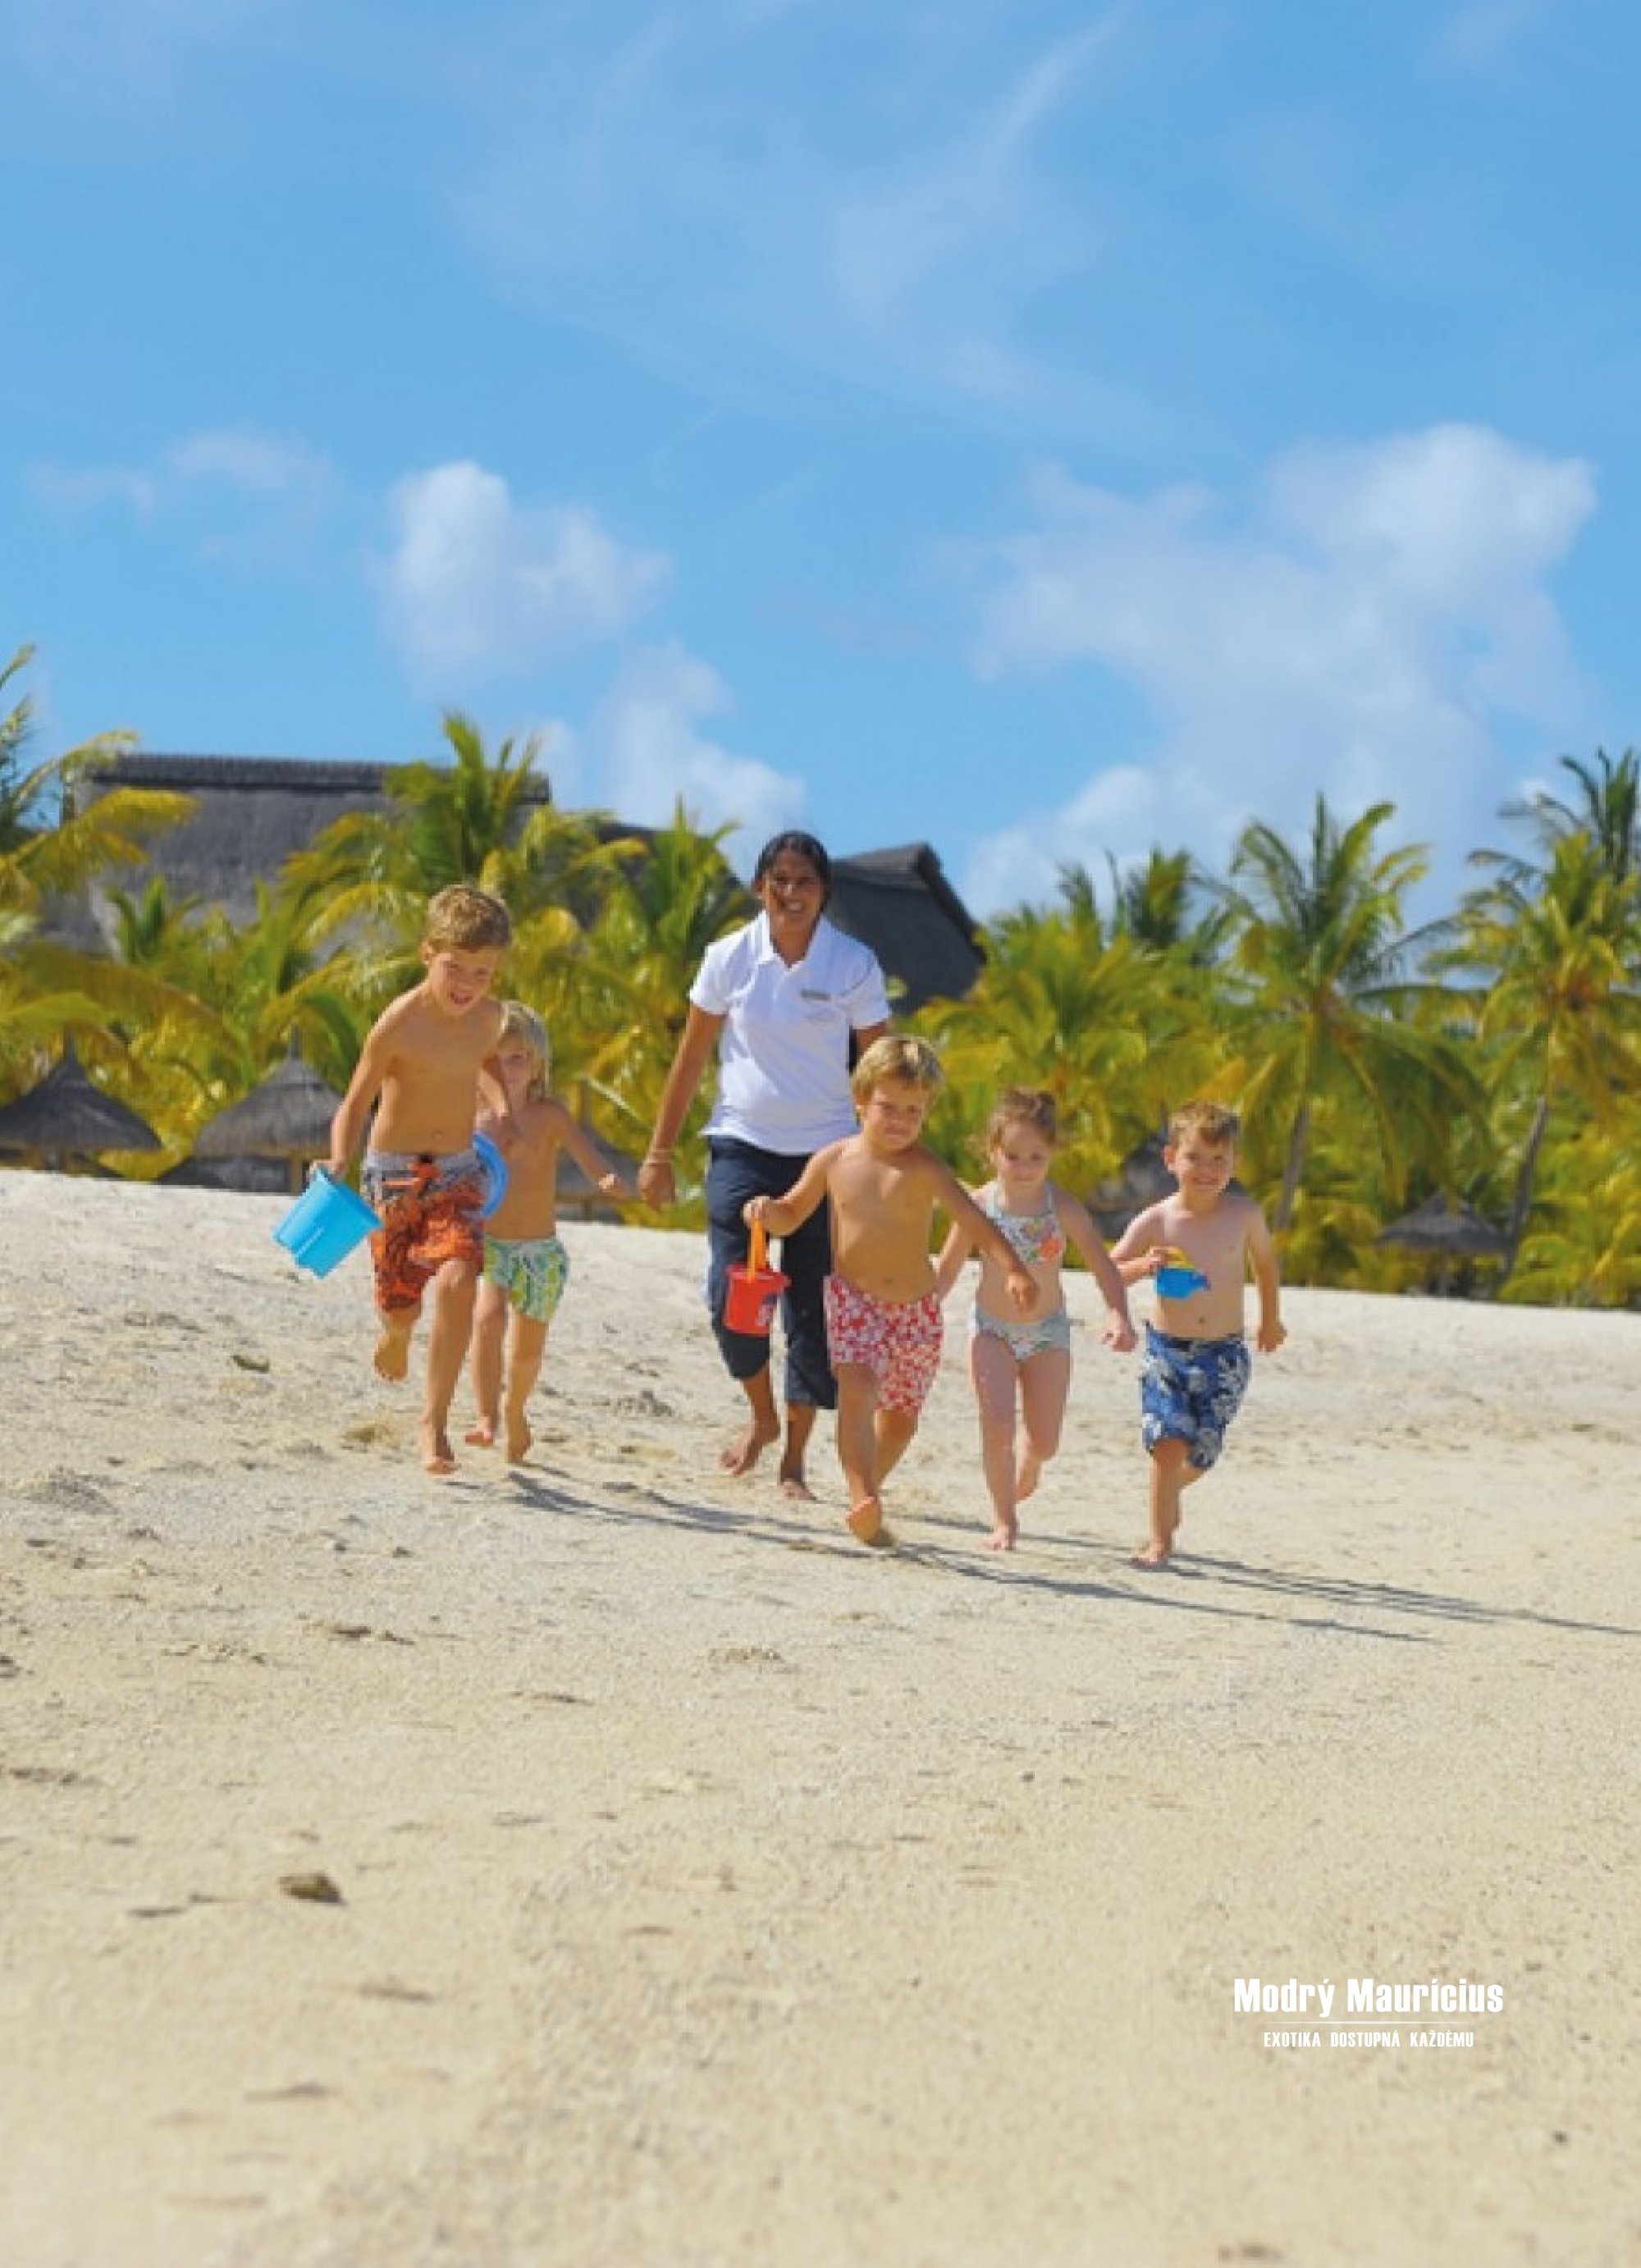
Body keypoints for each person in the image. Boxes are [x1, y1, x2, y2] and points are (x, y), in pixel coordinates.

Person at [638, 830, 890, 1501]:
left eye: (805, 881)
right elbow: (691, 1058)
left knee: (812, 1312)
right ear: (759, 887)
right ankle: (762, 1416)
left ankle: (794, 1463)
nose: (791, 892)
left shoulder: (853, 964)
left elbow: (881, 1072)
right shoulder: (728, 958)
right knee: (733, 1301)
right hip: (741, 1144)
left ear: (824, 891)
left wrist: (886, 1166)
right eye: (779, 880)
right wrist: (658, 1154)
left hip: (827, 1155)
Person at [745, 1036, 1037, 1548]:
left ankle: (867, 1493)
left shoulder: (926, 1169)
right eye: (889, 1106)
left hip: (916, 1312)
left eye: (913, 1111)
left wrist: (1013, 1267)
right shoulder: (834, 1160)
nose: (901, 1120)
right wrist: (767, 1212)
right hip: (854, 1301)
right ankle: (862, 1493)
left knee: (900, 1422)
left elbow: (974, 1220)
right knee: (857, 1389)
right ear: (861, 1100)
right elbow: (791, 1215)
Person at [324, 882, 514, 1478]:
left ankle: (433, 1423)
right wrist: (339, 1158)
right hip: (394, 1176)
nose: (467, 984)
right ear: (428, 954)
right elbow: (356, 1102)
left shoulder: (490, 1019)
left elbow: (484, 1063)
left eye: (482, 973)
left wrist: (500, 1104)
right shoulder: (399, 1024)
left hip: (458, 1169)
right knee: (400, 1302)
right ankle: (397, 1330)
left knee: (459, 1276)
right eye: (456, 967)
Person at [934, 1088, 1136, 1552]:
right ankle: (1005, 1521)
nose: (1023, 1168)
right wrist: (919, 1315)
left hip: (1048, 1334)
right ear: (992, 1152)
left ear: (1052, 1154)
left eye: (1036, 1158)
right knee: (997, 1426)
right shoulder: (977, 1207)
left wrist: (1118, 1313)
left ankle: (1033, 1460)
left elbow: (1102, 1265)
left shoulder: (1062, 1207)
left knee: (1044, 1441)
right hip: (992, 1330)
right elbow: (946, 1271)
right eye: (1013, 1156)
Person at [1108, 1100, 1285, 1567]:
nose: (1206, 1170)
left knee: (1199, 1455)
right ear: (1171, 1159)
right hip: (1167, 1351)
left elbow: (1266, 1267)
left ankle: (1170, 1490)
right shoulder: (1158, 1219)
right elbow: (1109, 1269)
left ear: (1234, 1163)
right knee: (1167, 1446)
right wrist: (1143, 1266)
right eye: (1194, 1158)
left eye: (1218, 1160)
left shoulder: (1244, 1214)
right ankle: (1160, 1542)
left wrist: (1271, 1319)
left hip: (1225, 1354)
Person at [464, 1003, 629, 1465]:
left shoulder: (549, 1115)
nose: (506, 1069)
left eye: (517, 1059)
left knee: (526, 1352)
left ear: (537, 1065)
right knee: (487, 1320)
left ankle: (515, 1409)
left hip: (540, 1251)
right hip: (491, 1245)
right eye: (496, 1059)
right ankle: (486, 1416)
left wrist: (606, 1179)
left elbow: (587, 1155)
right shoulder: (472, 1117)